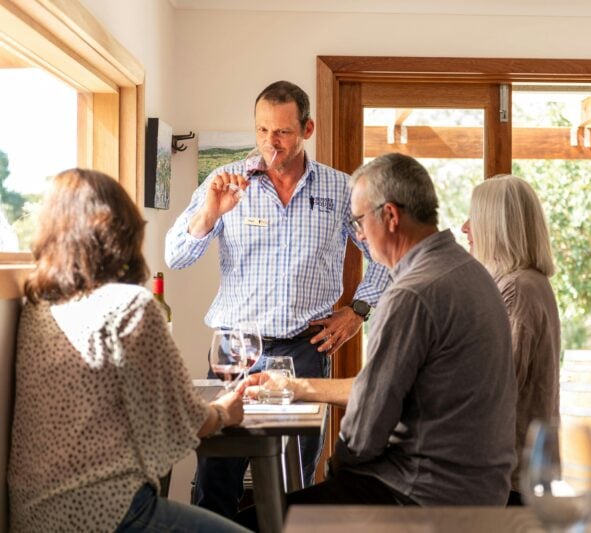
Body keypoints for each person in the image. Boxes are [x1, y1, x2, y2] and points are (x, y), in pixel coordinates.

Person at [164, 80, 390, 515]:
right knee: (217, 476)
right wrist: (211, 213)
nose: (272, 142)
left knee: (298, 478)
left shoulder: (342, 189)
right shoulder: (224, 182)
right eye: (263, 130)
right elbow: (175, 256)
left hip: (306, 350)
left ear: (307, 128)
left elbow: (384, 251)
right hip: (233, 350)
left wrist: (358, 310)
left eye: (283, 132)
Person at [243, 153, 516, 509]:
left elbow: (365, 429)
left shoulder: (412, 292)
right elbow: (383, 387)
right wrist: (296, 387)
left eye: (358, 221)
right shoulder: (468, 270)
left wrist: (337, 468)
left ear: (389, 216)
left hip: (422, 493)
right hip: (479, 489)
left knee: (254, 520)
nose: (358, 235)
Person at [8, 168, 248, 532]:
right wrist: (223, 413)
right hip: (107, 512)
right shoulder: (130, 305)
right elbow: (185, 420)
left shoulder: (39, 307)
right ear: (122, 228)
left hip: (33, 514)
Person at [461, 175, 561, 506]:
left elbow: (497, 387)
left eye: (474, 219)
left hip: (510, 478)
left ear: (496, 227)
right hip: (524, 471)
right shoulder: (529, 284)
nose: (464, 228)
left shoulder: (516, 290)